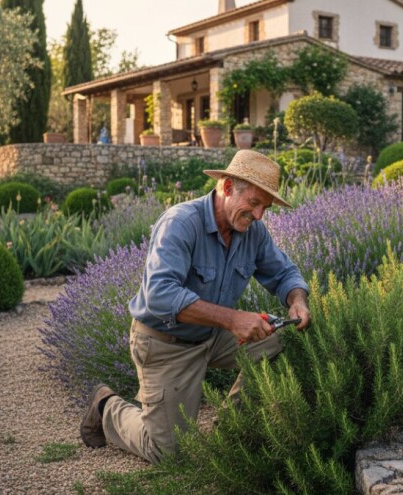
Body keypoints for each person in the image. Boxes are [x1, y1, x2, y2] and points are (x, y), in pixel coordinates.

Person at [79, 149, 311, 463]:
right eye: (254, 204)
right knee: (168, 453)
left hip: (212, 336)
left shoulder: (252, 231)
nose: (258, 216)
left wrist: (297, 300)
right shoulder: (181, 223)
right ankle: (107, 407)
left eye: (264, 208)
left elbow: (284, 273)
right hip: (166, 343)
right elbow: (160, 295)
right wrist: (233, 319)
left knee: (284, 338)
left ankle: (230, 429)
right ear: (228, 188)